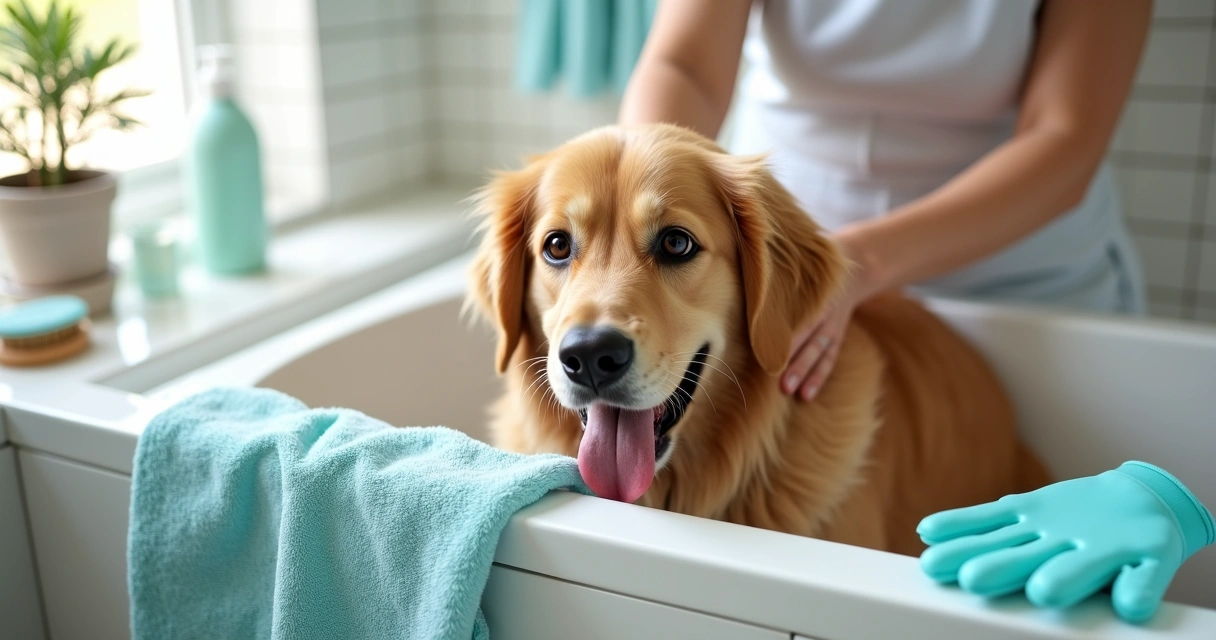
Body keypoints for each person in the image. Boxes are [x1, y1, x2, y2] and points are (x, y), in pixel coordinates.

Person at [620, 0, 1151, 402]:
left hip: (1017, 287)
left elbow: (1065, 136)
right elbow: (686, 65)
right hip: (792, 273)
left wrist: (854, 264)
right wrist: (636, 225)